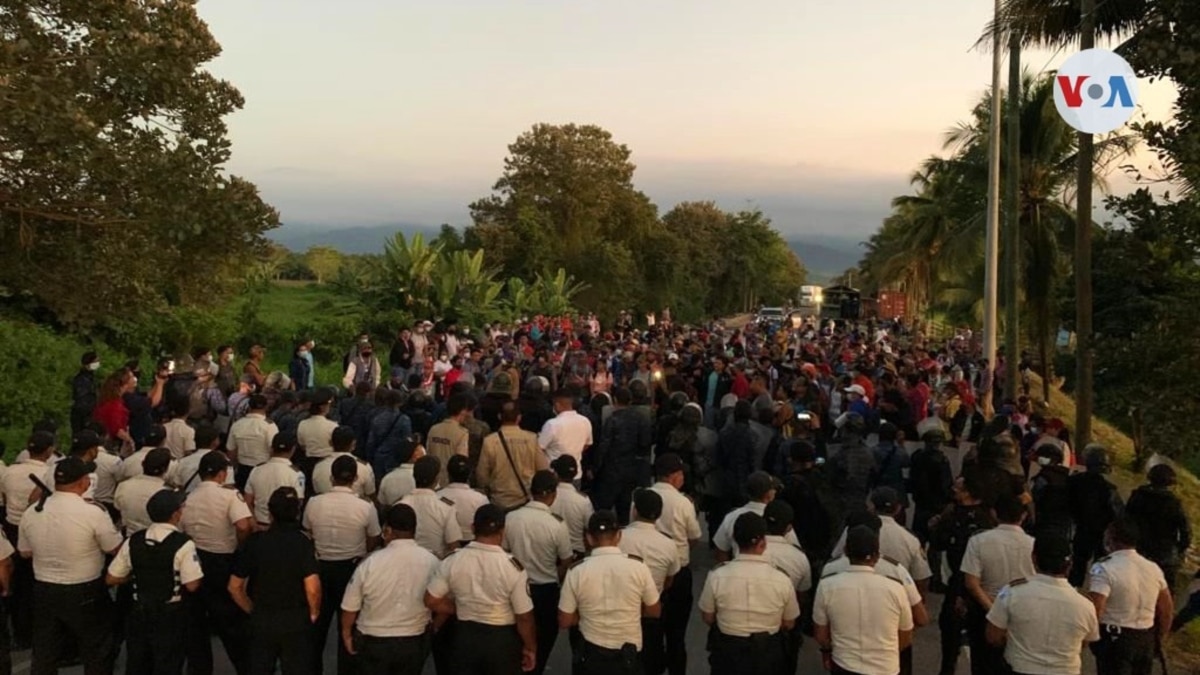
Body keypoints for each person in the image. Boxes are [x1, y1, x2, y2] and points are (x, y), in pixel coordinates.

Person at [18, 456, 125, 675]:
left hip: (44, 588)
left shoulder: (32, 512)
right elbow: (113, 548)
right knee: (96, 650)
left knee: (45, 652)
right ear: (84, 481)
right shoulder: (93, 512)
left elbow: (25, 552)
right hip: (85, 589)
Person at [424, 503, 538, 675]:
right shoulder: (513, 567)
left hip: (464, 636)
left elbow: (431, 600)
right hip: (501, 641)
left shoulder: (454, 560)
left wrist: (457, 608)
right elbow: (524, 617)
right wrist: (530, 647)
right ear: (502, 531)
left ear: (472, 528)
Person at [106, 489, 204, 675]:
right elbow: (192, 584)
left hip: (139, 610)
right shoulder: (183, 543)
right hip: (170, 614)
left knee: (138, 661)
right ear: (176, 514)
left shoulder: (133, 541)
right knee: (168, 661)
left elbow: (112, 577)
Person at [303, 455, 383, 675]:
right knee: (348, 628)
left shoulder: (314, 503)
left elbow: (308, 532)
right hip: (351, 570)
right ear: (356, 478)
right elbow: (374, 537)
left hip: (320, 570)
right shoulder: (365, 507)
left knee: (316, 627)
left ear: (331, 477)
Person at [229, 487, 322, 675]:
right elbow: (312, 586)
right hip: (295, 619)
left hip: (263, 618)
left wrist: (251, 609)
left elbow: (234, 586)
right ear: (297, 512)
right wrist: (313, 612)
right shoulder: (302, 543)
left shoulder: (255, 542)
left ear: (270, 513)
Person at [340, 504, 439, 675]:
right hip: (413, 639)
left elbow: (350, 606)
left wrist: (346, 633)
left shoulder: (371, 562)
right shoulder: (432, 561)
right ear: (415, 529)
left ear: (387, 530)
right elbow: (440, 600)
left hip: (373, 641)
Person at [559, 510, 661, 675]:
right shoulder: (638, 567)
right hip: (628, 655)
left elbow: (565, 620)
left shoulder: (576, 571)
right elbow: (655, 611)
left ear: (589, 538)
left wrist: (584, 615)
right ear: (619, 536)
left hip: (591, 655)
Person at [179, 451, 253, 675]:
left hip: (195, 560)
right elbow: (243, 526)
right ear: (222, 474)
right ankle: (245, 666)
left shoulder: (186, 498)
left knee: (196, 620)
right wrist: (240, 547)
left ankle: (200, 668)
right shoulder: (229, 496)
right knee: (230, 620)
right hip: (223, 559)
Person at [699, 512, 799, 675]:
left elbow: (708, 617)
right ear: (763, 543)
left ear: (735, 540)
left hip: (728, 652)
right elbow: (789, 622)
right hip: (767, 653)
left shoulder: (717, 575)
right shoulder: (782, 579)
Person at [985, 536, 1100, 675]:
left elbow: (993, 636)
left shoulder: (1012, 593)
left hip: (1020, 668)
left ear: (1034, 559)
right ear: (1069, 565)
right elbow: (1084, 642)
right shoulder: (1085, 605)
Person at [814, 525, 915, 675]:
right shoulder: (896, 588)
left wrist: (829, 651)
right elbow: (906, 635)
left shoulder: (827, 586)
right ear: (877, 556)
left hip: (844, 665)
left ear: (846, 552)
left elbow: (821, 635)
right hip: (886, 668)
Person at [502, 470, 573, 675]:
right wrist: (555, 575)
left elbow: (505, 551)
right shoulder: (557, 524)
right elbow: (566, 560)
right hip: (546, 591)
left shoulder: (511, 518)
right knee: (543, 642)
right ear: (553, 495)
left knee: (516, 637)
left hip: (515, 587)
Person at [1085, 517, 1174, 675]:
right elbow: (1166, 608)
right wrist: (1159, 637)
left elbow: (1096, 608)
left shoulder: (1105, 568)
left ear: (1110, 537)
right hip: (1145, 637)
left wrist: (1086, 637)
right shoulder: (1153, 568)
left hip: (1116, 638)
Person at [961, 493, 1036, 675]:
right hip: (1023, 612)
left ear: (994, 513)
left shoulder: (978, 541)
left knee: (983, 664)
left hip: (984, 609)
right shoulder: (1034, 544)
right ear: (1023, 516)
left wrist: (992, 609)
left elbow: (971, 583)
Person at [641, 453, 701, 675]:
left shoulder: (641, 496)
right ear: (674, 476)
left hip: (646, 573)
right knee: (676, 633)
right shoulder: (682, 502)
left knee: (649, 630)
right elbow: (694, 536)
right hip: (678, 573)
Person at [619, 489, 680, 674]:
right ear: (659, 515)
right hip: (651, 613)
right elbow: (670, 580)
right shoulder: (668, 544)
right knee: (650, 661)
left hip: (622, 610)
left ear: (635, 511)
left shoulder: (619, 537)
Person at [761, 500, 811, 675]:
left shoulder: (748, 548)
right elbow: (802, 595)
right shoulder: (798, 556)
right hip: (783, 624)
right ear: (789, 527)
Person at [1124, 464, 1191, 590]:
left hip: (1139, 550)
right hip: (1164, 555)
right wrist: (1179, 549)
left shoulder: (1138, 496)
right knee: (1165, 591)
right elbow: (1185, 531)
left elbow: (1125, 520)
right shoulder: (1173, 503)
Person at [1068, 445, 1123, 587]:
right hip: (1101, 533)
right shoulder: (1109, 488)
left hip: (1081, 528)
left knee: (1078, 564)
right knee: (1100, 568)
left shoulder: (1074, 481)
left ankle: (1074, 589)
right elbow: (1117, 514)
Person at [476, 401, 548, 510]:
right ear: (519, 418)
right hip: (525, 498)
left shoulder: (490, 441)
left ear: (499, 416)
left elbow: (482, 475)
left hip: (499, 499)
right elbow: (543, 468)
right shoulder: (531, 439)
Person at [713, 472, 798, 561]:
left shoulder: (732, 516)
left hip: (740, 567)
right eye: (773, 489)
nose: (775, 491)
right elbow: (794, 548)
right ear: (768, 495)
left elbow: (721, 551)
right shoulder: (779, 516)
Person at [400, 456, 462, 558]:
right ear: (437, 479)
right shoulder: (445, 507)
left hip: (405, 563)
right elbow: (454, 546)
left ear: (414, 476)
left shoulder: (401, 504)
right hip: (436, 566)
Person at [244, 431, 306, 528]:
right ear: (293, 449)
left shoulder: (256, 470)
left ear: (272, 448)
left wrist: (254, 524)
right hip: (283, 528)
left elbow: (247, 501)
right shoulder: (297, 474)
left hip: (259, 525)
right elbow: (298, 504)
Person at [114, 447, 172, 535]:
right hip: (156, 538)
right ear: (166, 469)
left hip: (129, 536)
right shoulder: (167, 492)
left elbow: (117, 506)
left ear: (142, 464)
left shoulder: (124, 485)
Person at [227, 394, 279, 490]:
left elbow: (231, 452)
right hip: (263, 470)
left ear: (249, 406)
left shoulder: (237, 424)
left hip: (242, 470)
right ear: (266, 407)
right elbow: (274, 450)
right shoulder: (270, 426)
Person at [311, 426, 377, 500]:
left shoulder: (319, 466)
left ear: (330, 443)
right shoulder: (364, 467)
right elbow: (371, 495)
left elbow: (316, 492)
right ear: (353, 444)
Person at [437, 456, 489, 544]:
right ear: (469, 475)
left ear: (448, 474)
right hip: (472, 546)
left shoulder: (437, 497)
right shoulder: (481, 499)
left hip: (444, 547)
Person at [548, 455, 593, 557]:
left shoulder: (547, 497)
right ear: (576, 474)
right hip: (576, 552)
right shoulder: (583, 500)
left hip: (551, 551)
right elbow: (589, 527)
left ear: (555, 473)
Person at [538, 389, 592, 464]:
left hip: (554, 471)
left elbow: (539, 448)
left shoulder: (552, 424)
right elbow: (587, 444)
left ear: (557, 405)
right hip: (576, 471)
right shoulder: (585, 421)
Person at [71, 351, 101, 433]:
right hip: (83, 415)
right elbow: (81, 398)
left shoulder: (91, 378)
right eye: (95, 361)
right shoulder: (82, 379)